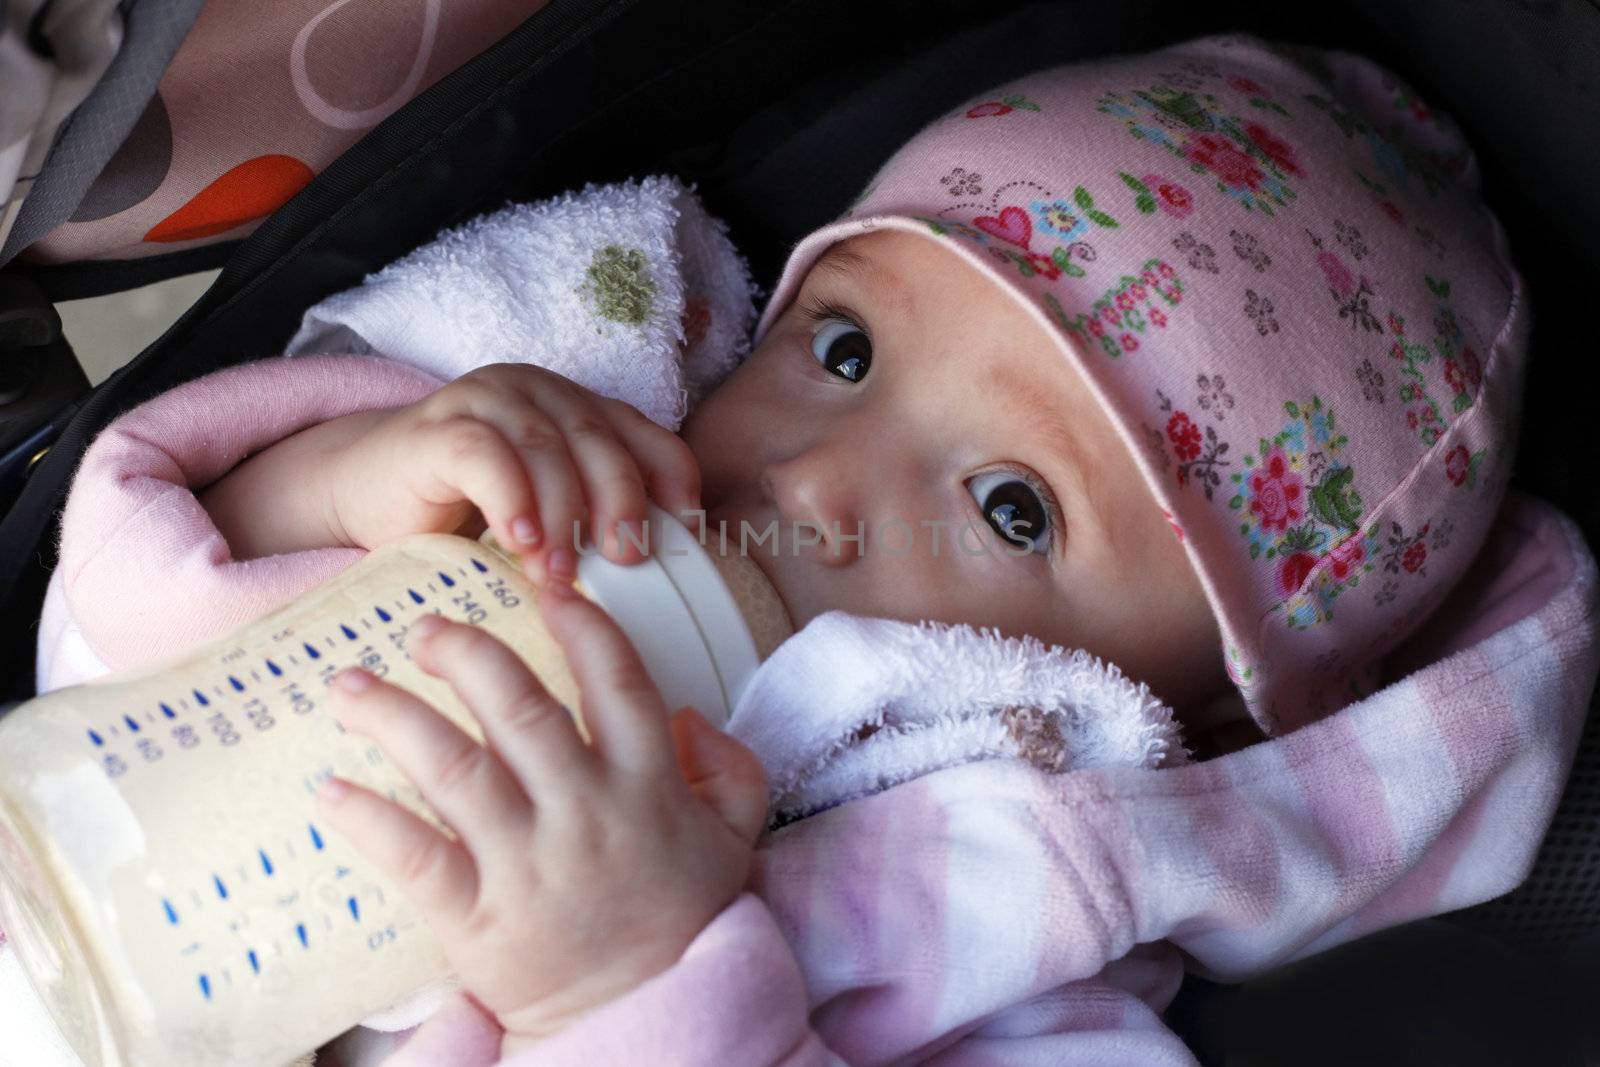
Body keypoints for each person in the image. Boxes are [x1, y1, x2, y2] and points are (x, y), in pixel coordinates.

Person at [27, 32, 1600, 1066]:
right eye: (845, 352)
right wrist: (338, 484)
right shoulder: (570, 483)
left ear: (1197, 711)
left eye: (1014, 508)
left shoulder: (1031, 919)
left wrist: (631, 991)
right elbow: (112, 669)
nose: (819, 480)